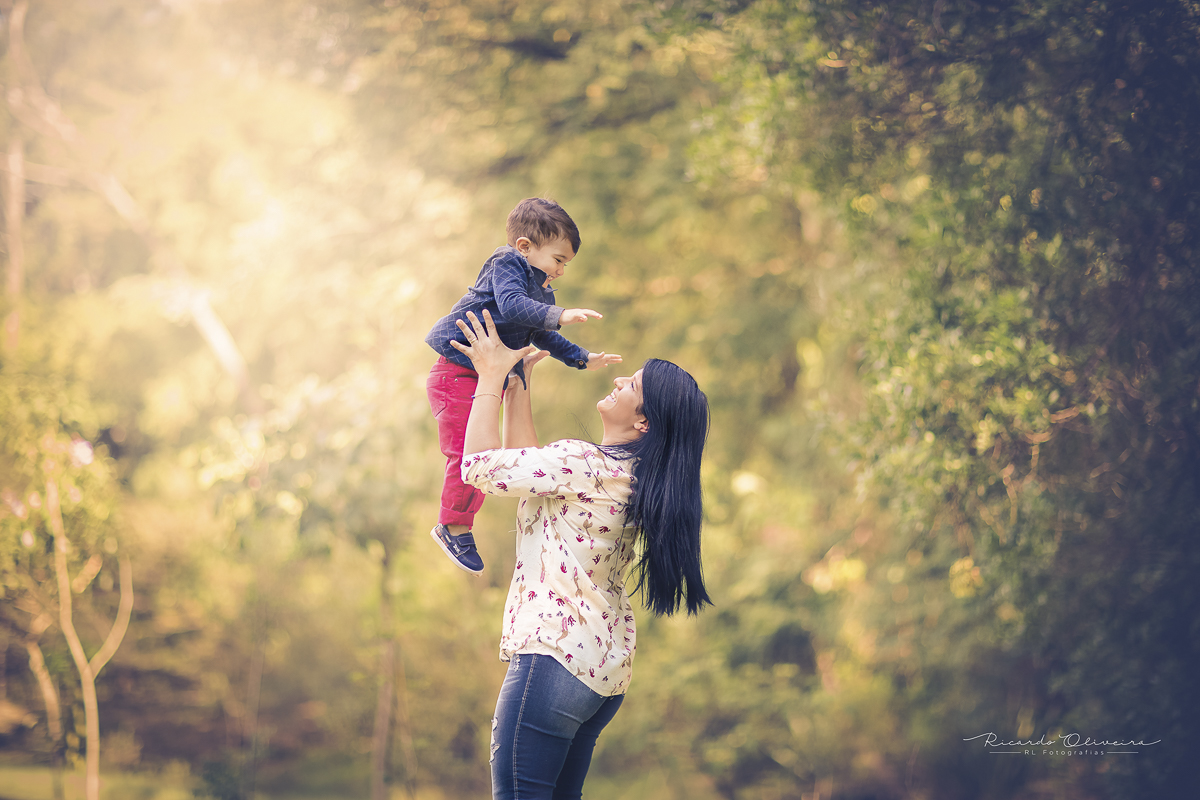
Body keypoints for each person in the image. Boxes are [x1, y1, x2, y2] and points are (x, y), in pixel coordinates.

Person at [449, 308, 712, 800]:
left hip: (553, 659)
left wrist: (487, 377)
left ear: (643, 420)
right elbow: (524, 473)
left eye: (632, 384)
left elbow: (479, 468)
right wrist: (518, 383)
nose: (618, 378)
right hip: (600, 673)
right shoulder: (635, 481)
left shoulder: (583, 463)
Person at [425, 198, 623, 575]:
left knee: (483, 452)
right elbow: (514, 307)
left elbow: (542, 333)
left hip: (484, 376)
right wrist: (561, 314)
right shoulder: (507, 266)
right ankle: (454, 526)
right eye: (559, 259)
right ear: (525, 247)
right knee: (466, 455)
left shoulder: (540, 286)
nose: (562, 270)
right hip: (455, 372)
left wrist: (583, 357)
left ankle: (458, 522)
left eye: (566, 263)